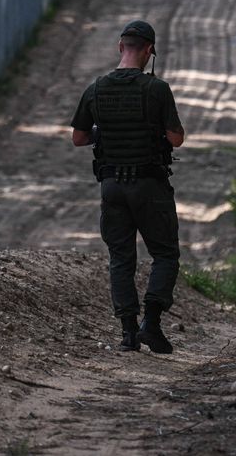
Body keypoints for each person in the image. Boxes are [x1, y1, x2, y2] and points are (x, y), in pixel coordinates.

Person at [70, 20, 185, 353]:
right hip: (149, 186)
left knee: (120, 259)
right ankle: (152, 323)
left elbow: (78, 138)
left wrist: (104, 133)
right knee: (165, 255)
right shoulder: (157, 89)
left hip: (112, 187)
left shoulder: (96, 88)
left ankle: (128, 333)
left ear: (120, 47)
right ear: (149, 51)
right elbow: (176, 139)